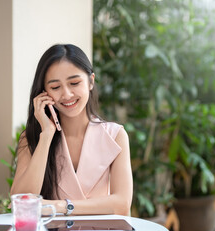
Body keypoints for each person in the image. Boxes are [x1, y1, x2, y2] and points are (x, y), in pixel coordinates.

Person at [10, 44, 133, 216]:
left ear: (91, 81)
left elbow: (122, 204)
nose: (66, 94)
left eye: (74, 83)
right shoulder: (32, 137)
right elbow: (21, 201)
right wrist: (46, 136)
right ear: (44, 93)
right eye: (55, 87)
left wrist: (58, 206)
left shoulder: (115, 135)